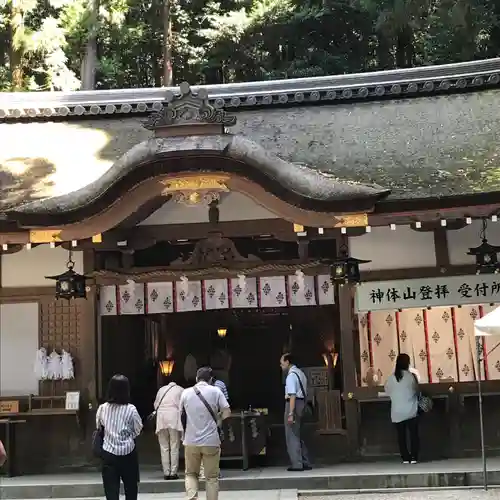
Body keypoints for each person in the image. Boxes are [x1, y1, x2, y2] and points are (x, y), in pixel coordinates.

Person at [180, 367, 231, 500]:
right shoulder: (216, 391)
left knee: (191, 474)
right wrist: (218, 419)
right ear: (210, 379)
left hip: (191, 440)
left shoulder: (185, 393)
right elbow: (227, 412)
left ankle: (191, 497)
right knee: (211, 477)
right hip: (211, 440)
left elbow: (182, 416)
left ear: (196, 378)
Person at [96, 374, 143, 500]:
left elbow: (99, 427)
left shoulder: (102, 409)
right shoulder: (131, 409)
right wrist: (128, 435)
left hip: (109, 454)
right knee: (131, 490)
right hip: (128, 454)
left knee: (111, 493)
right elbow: (138, 429)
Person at [384, 353, 419, 464]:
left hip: (397, 411)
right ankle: (414, 457)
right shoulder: (411, 376)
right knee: (413, 434)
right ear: (407, 363)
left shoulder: (391, 378)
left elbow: (387, 391)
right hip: (411, 410)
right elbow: (416, 390)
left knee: (401, 436)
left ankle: (405, 457)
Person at [280, 353, 312, 472]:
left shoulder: (291, 376)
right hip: (302, 403)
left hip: (293, 404)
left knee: (292, 434)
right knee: (299, 434)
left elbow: (292, 395)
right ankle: (305, 461)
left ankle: (297, 464)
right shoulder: (300, 373)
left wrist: (290, 413)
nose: (281, 365)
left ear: (288, 362)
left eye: (282, 362)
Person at [154, 379, 184, 480]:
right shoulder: (180, 389)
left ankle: (166, 472)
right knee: (174, 445)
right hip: (174, 417)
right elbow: (183, 405)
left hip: (161, 417)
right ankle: (173, 472)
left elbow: (155, 405)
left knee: (164, 446)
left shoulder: (161, 389)